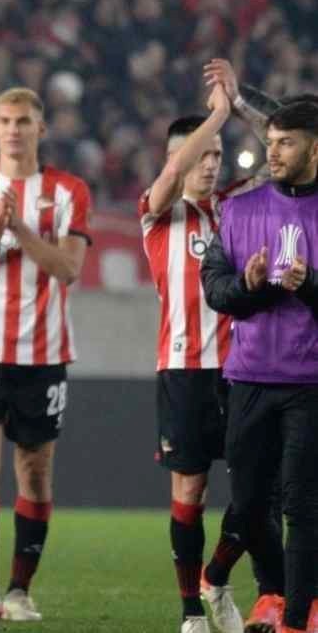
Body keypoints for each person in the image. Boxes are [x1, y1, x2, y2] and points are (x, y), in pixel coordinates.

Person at [0, 86, 92, 622]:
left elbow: (70, 268)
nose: (14, 129)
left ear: (41, 127)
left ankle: (19, 590)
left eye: (24, 121)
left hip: (44, 351)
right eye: (5, 120)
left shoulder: (68, 190)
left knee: (33, 472)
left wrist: (20, 228)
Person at [139, 82, 262, 633]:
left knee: (258, 489)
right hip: (185, 369)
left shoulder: (236, 207)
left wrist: (237, 108)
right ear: (178, 158)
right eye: (202, 153)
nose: (211, 163)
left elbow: (288, 151)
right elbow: (170, 178)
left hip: (246, 368)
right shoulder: (158, 213)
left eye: (217, 154)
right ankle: (191, 611)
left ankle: (216, 577)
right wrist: (213, 119)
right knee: (190, 490)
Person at [201, 101, 318, 633]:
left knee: (301, 503)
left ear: (314, 148)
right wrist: (248, 288)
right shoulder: (240, 211)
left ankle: (297, 618)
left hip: (309, 382)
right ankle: (272, 593)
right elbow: (216, 289)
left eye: (286, 142)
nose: (273, 151)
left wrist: (309, 286)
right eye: (270, 141)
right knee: (247, 506)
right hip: (247, 377)